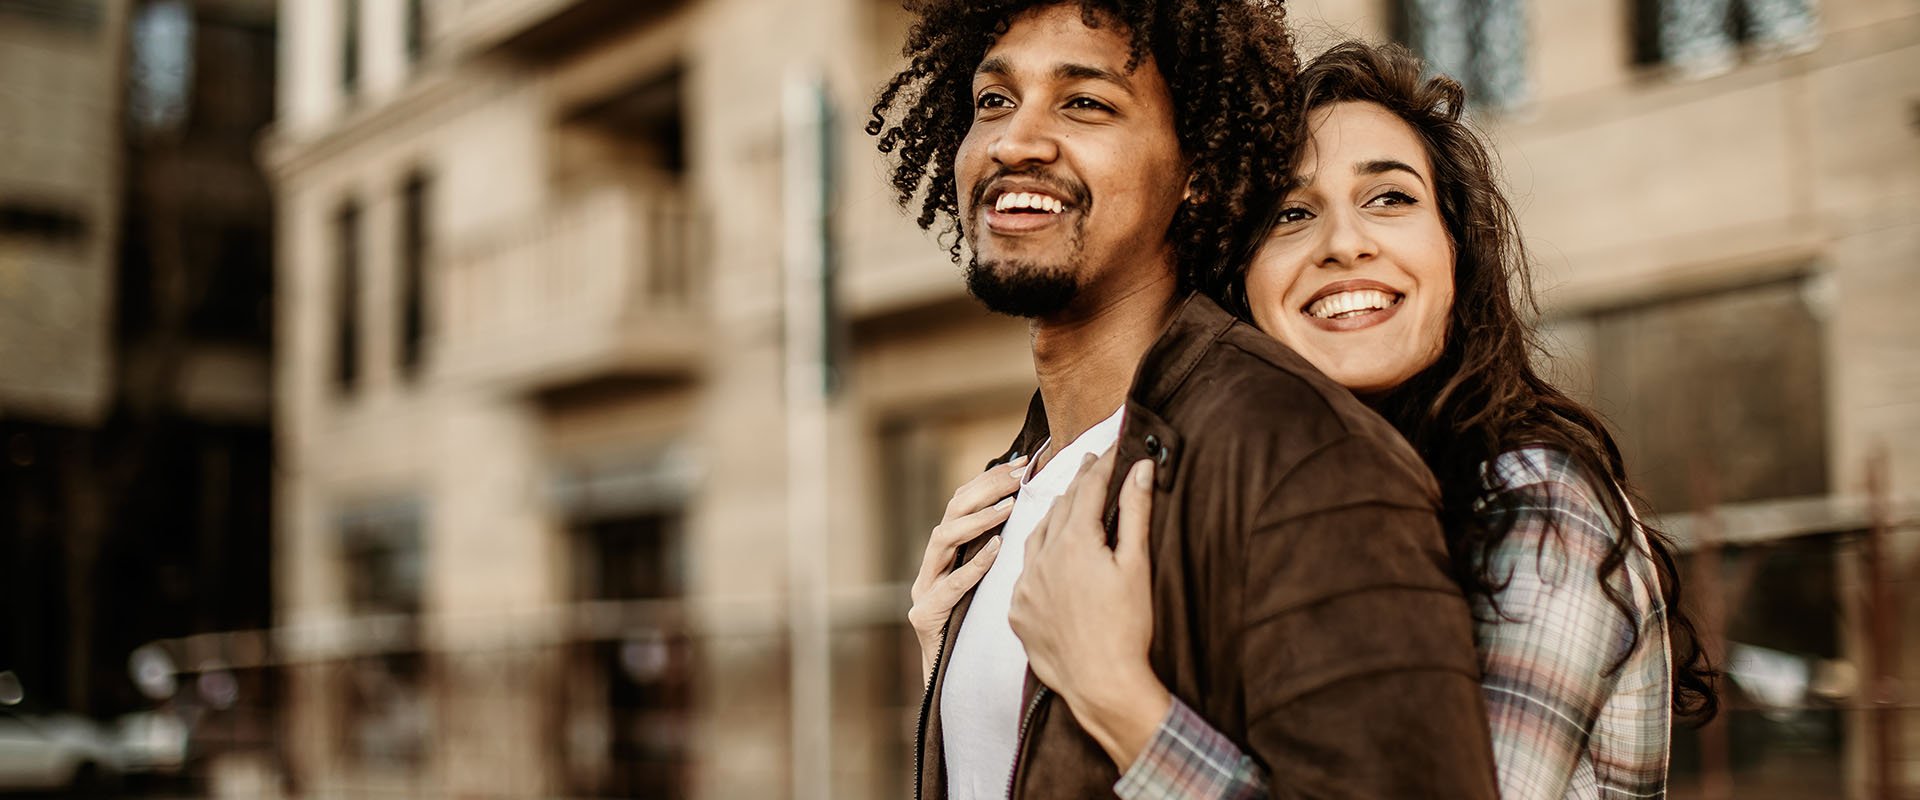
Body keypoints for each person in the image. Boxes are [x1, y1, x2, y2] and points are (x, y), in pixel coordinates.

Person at [950, 41, 1717, 799]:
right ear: (1239, 270)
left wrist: (1118, 698)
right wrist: (962, 656)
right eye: (1291, 212)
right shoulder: (1269, 496)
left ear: (1455, 249)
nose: (1345, 244)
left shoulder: (1532, 501)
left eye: (1390, 198)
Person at [871, 3, 1500, 798]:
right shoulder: (1019, 481)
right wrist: (949, 664)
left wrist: (1124, 706)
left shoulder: (1302, 456)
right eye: (993, 100)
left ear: (1197, 167)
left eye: (1085, 103)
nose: (1013, 141)